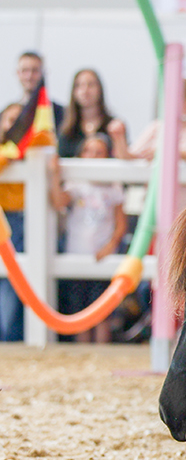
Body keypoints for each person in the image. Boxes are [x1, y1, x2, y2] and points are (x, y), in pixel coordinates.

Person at [109, 79, 186, 210]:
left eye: (181, 98)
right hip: (158, 207)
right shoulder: (158, 127)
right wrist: (119, 137)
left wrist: (173, 154)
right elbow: (130, 156)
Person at [51, 134, 127, 344]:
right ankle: (83, 353)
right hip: (77, 254)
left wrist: (111, 246)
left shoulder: (113, 186)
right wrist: (55, 176)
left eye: (98, 152)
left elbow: (121, 223)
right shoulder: (77, 184)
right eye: (88, 151)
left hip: (101, 257)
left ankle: (101, 354)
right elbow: (59, 201)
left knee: (102, 312)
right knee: (79, 310)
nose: (92, 156)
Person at [57, 69, 126, 159]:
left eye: (91, 85)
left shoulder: (114, 127)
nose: (85, 90)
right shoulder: (67, 130)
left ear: (99, 89)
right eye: (79, 85)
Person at [0, 103, 25, 341]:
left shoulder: (35, 151)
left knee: (14, 285)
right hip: (8, 220)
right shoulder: (8, 151)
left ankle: (10, 338)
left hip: (21, 223)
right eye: (9, 119)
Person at [13, 52, 64, 128]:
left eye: (35, 70)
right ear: (17, 73)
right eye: (25, 70)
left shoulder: (60, 113)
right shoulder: (9, 114)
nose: (29, 76)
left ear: (43, 73)